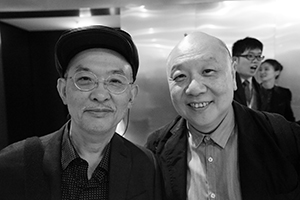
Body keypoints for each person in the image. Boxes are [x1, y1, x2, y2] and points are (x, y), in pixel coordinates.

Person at [0, 25, 162, 200]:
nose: (100, 95)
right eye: (85, 79)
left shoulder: (146, 165)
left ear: (131, 96)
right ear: (63, 91)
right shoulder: (13, 165)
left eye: (115, 80)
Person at [146, 31, 300, 200]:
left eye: (208, 71)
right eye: (180, 76)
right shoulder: (155, 148)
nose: (194, 88)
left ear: (233, 76)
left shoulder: (284, 137)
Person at [232, 37, 264, 110]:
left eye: (259, 56)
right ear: (235, 60)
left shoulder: (261, 89)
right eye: (250, 56)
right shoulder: (226, 86)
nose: (255, 61)